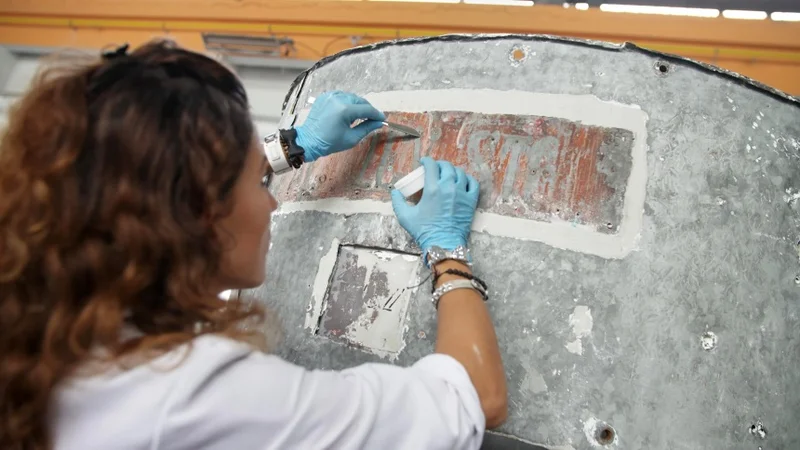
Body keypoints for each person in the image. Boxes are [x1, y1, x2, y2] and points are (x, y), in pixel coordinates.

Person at [0, 40, 507, 450]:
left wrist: (287, 149)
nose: (271, 205)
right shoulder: (201, 399)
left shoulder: (45, 318)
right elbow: (472, 399)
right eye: (258, 184)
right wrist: (446, 252)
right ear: (199, 217)